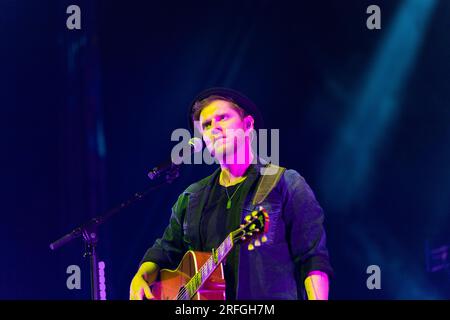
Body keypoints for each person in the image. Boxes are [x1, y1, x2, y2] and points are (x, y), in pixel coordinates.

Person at [129, 87, 333, 300]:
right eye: (206, 125)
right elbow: (164, 250)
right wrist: (140, 276)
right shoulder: (191, 198)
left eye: (222, 118)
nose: (214, 128)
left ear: (247, 125)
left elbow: (313, 260)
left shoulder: (285, 183)